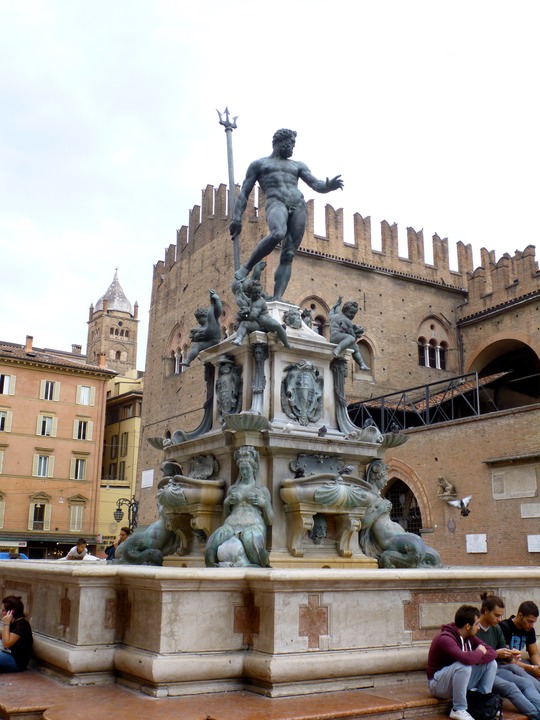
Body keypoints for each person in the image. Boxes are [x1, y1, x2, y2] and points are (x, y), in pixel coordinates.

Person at [230, 128, 343, 301]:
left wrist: (328, 187)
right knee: (277, 233)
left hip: (298, 205)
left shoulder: (297, 165)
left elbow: (315, 184)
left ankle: (277, 299)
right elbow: (244, 192)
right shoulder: (259, 165)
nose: (292, 148)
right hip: (276, 203)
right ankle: (247, 267)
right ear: (279, 142)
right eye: (290, 143)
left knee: (288, 254)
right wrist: (237, 218)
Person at [427, 604, 497, 720]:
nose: (479, 627)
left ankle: (482, 704)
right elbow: (466, 659)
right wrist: (478, 653)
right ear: (468, 626)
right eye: (476, 624)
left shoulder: (470, 637)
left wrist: (475, 657)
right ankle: (458, 709)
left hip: (457, 680)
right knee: (464, 666)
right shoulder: (445, 638)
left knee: (491, 663)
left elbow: (492, 652)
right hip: (437, 684)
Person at [477, 593, 540, 719]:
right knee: (511, 687)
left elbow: (504, 652)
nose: (499, 619)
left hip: (496, 668)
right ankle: (536, 715)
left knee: (525, 682)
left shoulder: (495, 628)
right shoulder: (474, 629)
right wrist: (497, 653)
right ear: (485, 611)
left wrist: (511, 653)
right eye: (496, 615)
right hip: (479, 672)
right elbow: (473, 656)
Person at [500, 601, 540, 685]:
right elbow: (507, 660)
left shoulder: (529, 630)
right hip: (505, 665)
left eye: (533, 622)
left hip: (519, 663)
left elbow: (534, 654)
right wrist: (531, 668)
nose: (531, 625)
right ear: (520, 615)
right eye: (529, 621)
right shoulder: (504, 627)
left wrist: (538, 666)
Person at [329, 297, 369, 370]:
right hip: (336, 337)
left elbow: (330, 313)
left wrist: (336, 305)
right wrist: (357, 334)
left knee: (355, 347)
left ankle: (362, 364)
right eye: (351, 312)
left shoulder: (335, 316)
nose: (352, 315)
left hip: (336, 337)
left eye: (354, 313)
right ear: (345, 310)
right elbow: (352, 335)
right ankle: (337, 350)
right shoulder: (348, 321)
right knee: (351, 338)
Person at [1, 595, 33, 673]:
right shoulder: (14, 622)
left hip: (16, 661)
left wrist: (6, 623)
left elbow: (6, 644)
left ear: (11, 612)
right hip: (7, 654)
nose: (1, 613)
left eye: (3, 610)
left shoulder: (21, 625)